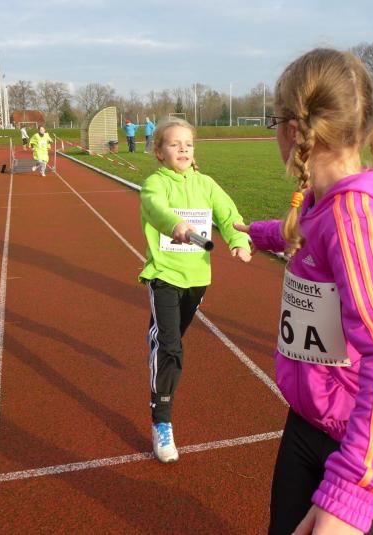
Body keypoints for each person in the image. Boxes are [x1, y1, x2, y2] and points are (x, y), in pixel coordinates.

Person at [232, 48, 373, 535]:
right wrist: (257, 233)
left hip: (361, 435)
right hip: (311, 416)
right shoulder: (326, 204)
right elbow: (304, 232)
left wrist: (351, 495)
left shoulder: (355, 220)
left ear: (291, 130)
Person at [139, 117, 252, 464]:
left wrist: (239, 240)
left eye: (188, 144)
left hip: (197, 279)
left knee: (172, 340)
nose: (183, 149)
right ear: (160, 152)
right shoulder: (154, 184)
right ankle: (162, 419)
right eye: (175, 144)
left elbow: (227, 213)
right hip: (164, 275)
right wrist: (175, 225)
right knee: (170, 346)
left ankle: (162, 342)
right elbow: (155, 209)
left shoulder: (206, 184)